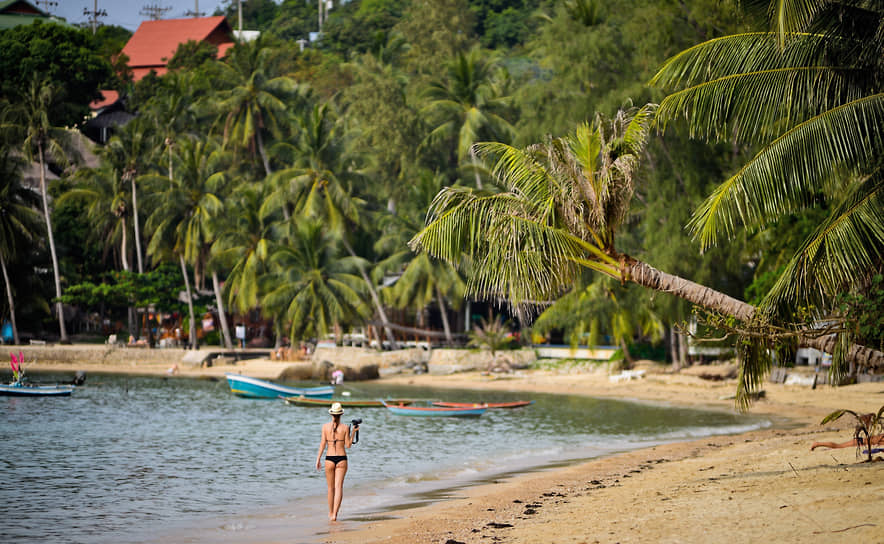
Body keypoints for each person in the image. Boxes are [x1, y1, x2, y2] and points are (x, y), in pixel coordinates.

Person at [315, 402, 358, 521]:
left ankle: (330, 513)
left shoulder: (325, 427)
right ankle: (335, 514)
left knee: (330, 488)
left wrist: (318, 459)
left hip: (329, 459)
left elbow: (322, 444)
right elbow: (348, 445)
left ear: (331, 414)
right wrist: (354, 431)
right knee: (338, 487)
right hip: (342, 459)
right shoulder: (345, 428)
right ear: (341, 414)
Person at [811, 434, 884, 451]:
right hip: (859, 442)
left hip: (860, 441)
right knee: (838, 446)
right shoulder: (881, 437)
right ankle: (817, 444)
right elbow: (877, 441)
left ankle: (819, 444)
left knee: (838, 446)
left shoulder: (881, 437)